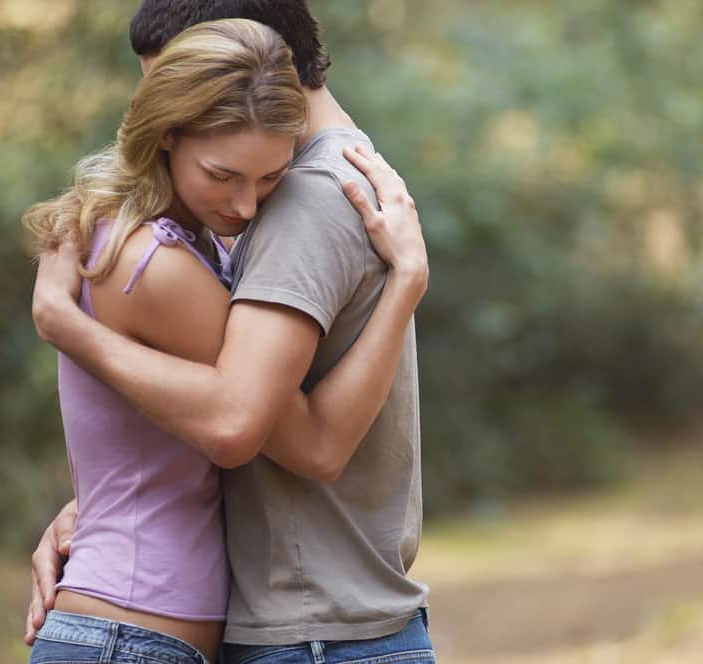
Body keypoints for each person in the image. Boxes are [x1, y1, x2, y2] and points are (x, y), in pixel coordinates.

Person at [28, 2, 435, 663]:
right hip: (250, 626)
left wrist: (68, 327)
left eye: (176, 75)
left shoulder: (305, 200)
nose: (152, 102)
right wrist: (100, 508)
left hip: (316, 634)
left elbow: (248, 423)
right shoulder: (178, 243)